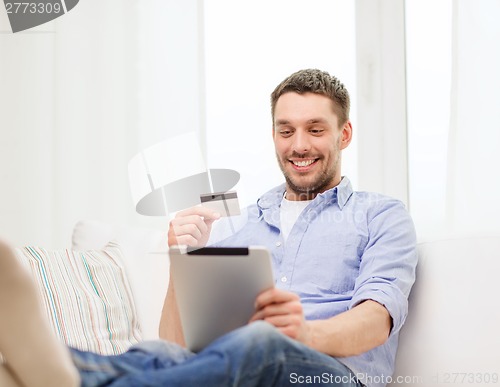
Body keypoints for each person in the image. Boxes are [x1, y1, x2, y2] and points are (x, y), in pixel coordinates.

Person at [0, 69, 417, 387]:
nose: (299, 145)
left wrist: (303, 333)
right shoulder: (236, 222)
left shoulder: (380, 215)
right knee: (156, 350)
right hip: (239, 372)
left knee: (263, 342)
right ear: (273, 135)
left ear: (344, 134)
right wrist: (182, 261)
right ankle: (53, 368)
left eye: (315, 129)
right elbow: (179, 345)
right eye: (286, 131)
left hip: (331, 376)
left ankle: (70, 373)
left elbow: (376, 321)